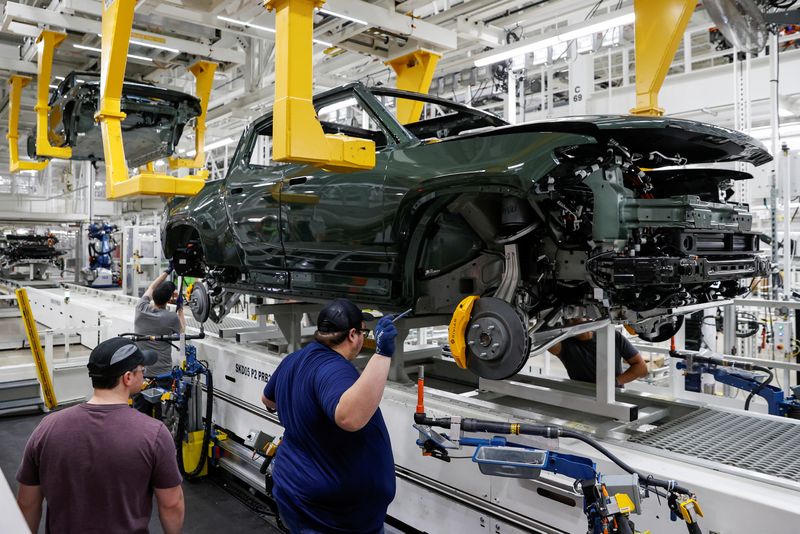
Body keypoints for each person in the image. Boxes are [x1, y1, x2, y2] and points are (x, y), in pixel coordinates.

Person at [16, 337, 185, 534]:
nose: (144, 375)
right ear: (128, 377)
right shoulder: (154, 433)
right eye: (142, 370)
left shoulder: (48, 427)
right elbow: (172, 503)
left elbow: (27, 503)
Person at [261, 298, 398, 534]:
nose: (363, 339)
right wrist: (382, 355)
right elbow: (350, 417)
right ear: (353, 334)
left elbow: (268, 400)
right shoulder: (334, 368)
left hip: (294, 491)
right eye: (364, 333)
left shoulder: (294, 358)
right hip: (333, 517)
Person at [133, 266, 185, 417]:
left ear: (153, 297)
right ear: (169, 300)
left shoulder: (140, 308)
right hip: (163, 374)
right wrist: (180, 309)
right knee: (164, 415)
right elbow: (182, 332)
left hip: (142, 376)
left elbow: (151, 287)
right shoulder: (170, 317)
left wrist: (167, 271)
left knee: (141, 414)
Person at [547, 322, 648, 387]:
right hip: (581, 399)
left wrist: (613, 382)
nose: (571, 321)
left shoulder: (612, 336)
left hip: (615, 398)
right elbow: (546, 341)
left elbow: (642, 369)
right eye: (568, 319)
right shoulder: (564, 344)